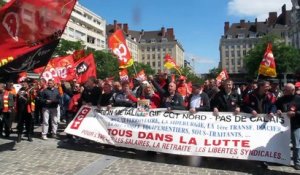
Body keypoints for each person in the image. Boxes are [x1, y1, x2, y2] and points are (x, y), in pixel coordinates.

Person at [276, 83, 300, 170]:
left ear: (292, 91)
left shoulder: (298, 99)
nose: (284, 91)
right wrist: (277, 110)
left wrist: (296, 113)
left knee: (296, 145)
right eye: (284, 90)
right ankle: (280, 159)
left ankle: (297, 162)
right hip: (283, 126)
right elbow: (275, 106)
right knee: (281, 143)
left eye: (286, 90)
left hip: (296, 125)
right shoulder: (281, 99)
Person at [16, 78, 36, 142]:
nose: (23, 83)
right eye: (23, 82)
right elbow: (17, 99)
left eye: (25, 82)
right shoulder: (19, 90)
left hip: (28, 109)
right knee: (20, 123)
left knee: (28, 123)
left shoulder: (31, 90)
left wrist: (31, 94)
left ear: (27, 84)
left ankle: (29, 135)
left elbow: (34, 98)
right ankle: (19, 136)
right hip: (20, 110)